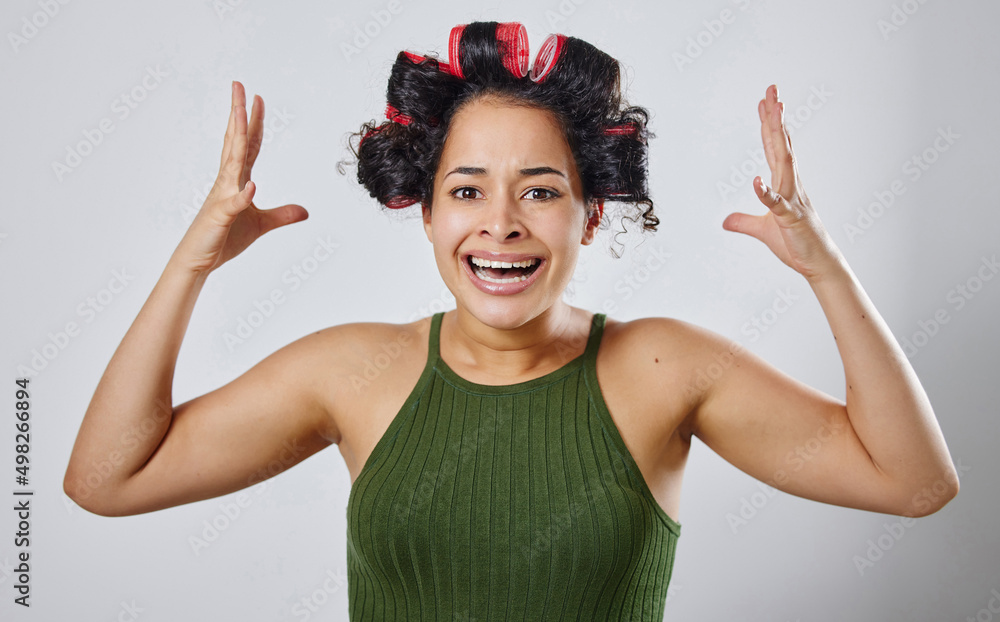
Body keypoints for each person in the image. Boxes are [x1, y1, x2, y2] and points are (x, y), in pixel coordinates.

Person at [64, 21, 958, 620]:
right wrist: (193, 262)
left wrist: (825, 270)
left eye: (541, 190)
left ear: (590, 215)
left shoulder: (664, 367)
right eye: (466, 190)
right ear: (424, 212)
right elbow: (106, 480)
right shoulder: (349, 372)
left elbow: (912, 485)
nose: (501, 222)